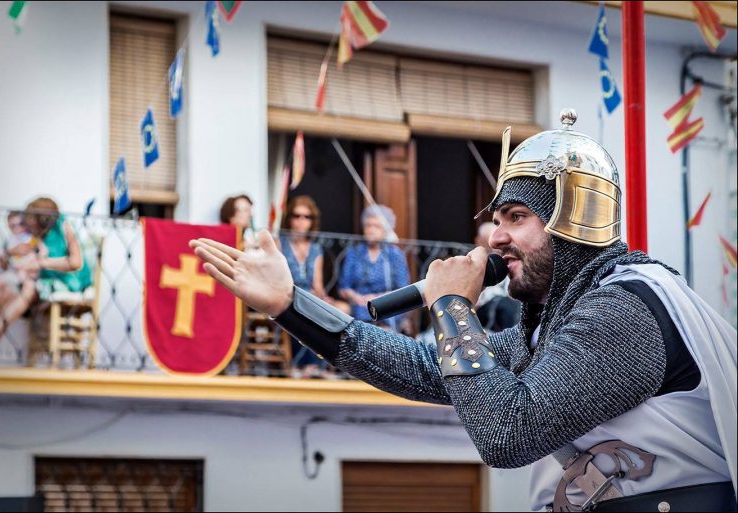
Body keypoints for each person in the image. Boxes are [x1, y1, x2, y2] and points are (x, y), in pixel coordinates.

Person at [190, 109, 737, 512]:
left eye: (517, 217)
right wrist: (291, 304)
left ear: (575, 222)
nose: (495, 237)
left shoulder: (624, 309)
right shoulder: (557, 325)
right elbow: (431, 368)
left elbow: (508, 432)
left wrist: (452, 306)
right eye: (496, 219)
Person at [0, 197, 92, 365]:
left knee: (27, 286)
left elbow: (76, 262)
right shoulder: (37, 237)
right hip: (46, 282)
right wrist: (9, 256)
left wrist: (41, 263)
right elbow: (20, 260)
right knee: (8, 290)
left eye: (30, 219)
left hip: (70, 281)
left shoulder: (64, 226)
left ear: (42, 219)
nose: (26, 224)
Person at [279, 195, 347, 377]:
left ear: (312, 221)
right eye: (297, 216)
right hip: (287, 291)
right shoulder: (281, 243)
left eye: (306, 217)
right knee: (300, 311)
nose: (301, 221)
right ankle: (300, 364)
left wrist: (324, 297)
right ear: (289, 218)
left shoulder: (315, 248)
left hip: (309, 293)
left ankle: (321, 365)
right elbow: (278, 276)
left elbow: (317, 283)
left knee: (331, 310)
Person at [338, 205, 412, 334]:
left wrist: (377, 298)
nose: (371, 230)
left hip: (385, 307)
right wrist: (356, 297)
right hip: (357, 306)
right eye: (368, 225)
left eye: (377, 226)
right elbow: (344, 287)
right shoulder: (354, 253)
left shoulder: (394, 254)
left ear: (386, 230)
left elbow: (403, 289)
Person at [474, 221, 521, 332]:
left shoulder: (502, 263)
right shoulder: (468, 263)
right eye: (487, 239)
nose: (495, 244)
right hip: (482, 309)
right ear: (478, 240)